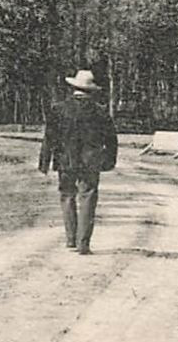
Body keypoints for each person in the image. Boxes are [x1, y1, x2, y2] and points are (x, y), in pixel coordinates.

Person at [37, 69, 118, 254]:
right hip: (90, 162)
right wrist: (108, 161)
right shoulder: (100, 112)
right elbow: (111, 139)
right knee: (88, 197)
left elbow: (49, 137)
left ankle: (71, 239)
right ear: (91, 90)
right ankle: (83, 244)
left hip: (65, 161)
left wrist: (44, 162)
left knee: (67, 196)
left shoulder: (59, 109)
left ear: (73, 88)